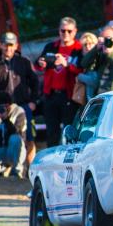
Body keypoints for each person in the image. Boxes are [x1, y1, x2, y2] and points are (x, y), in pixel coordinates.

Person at [0, 31, 39, 170]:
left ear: (16, 45)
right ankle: (6, 168)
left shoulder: (24, 62)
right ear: (0, 45)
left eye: (11, 45)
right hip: (2, 108)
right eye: (5, 45)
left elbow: (35, 83)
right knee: (3, 138)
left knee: (29, 138)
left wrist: (33, 102)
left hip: (24, 106)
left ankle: (30, 169)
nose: (8, 48)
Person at [38, 17, 83, 147]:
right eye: (63, 31)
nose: (66, 34)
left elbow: (82, 71)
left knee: (68, 131)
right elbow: (38, 64)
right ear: (59, 31)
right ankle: (52, 162)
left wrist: (67, 64)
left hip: (69, 95)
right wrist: (41, 63)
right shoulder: (51, 46)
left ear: (75, 31)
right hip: (51, 94)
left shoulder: (78, 49)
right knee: (52, 131)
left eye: (69, 31)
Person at [76, 31, 102, 101]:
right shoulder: (82, 59)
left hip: (97, 99)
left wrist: (80, 76)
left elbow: (94, 81)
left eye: (90, 44)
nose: (87, 47)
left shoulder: (98, 58)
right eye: (85, 44)